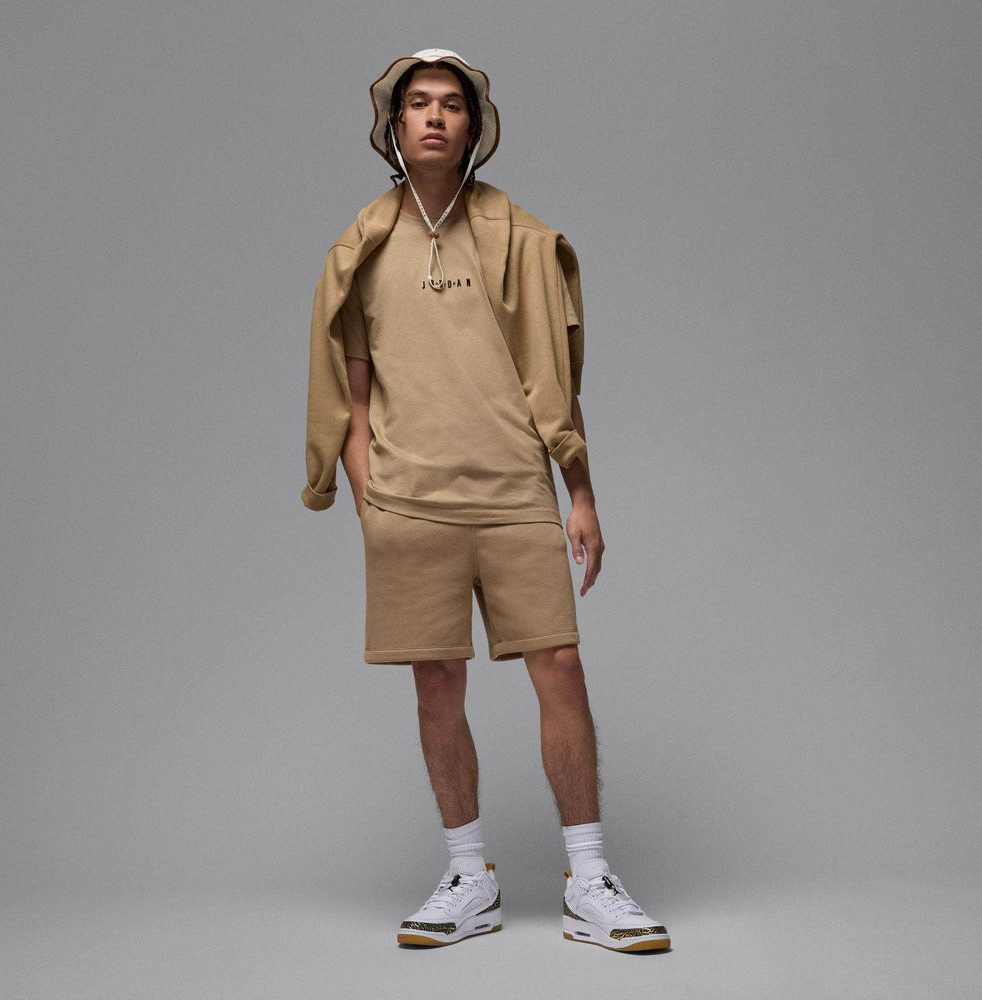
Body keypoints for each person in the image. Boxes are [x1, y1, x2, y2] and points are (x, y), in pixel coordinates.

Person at [301, 48, 670, 953]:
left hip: (514, 493)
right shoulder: (360, 248)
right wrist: (370, 500)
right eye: (418, 103)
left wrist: (581, 493)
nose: (434, 116)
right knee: (437, 683)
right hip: (409, 505)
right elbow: (353, 394)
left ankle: (590, 879)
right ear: (393, 125)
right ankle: (470, 876)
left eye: (451, 104)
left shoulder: (521, 238)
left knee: (560, 668)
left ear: (475, 126)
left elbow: (555, 379)